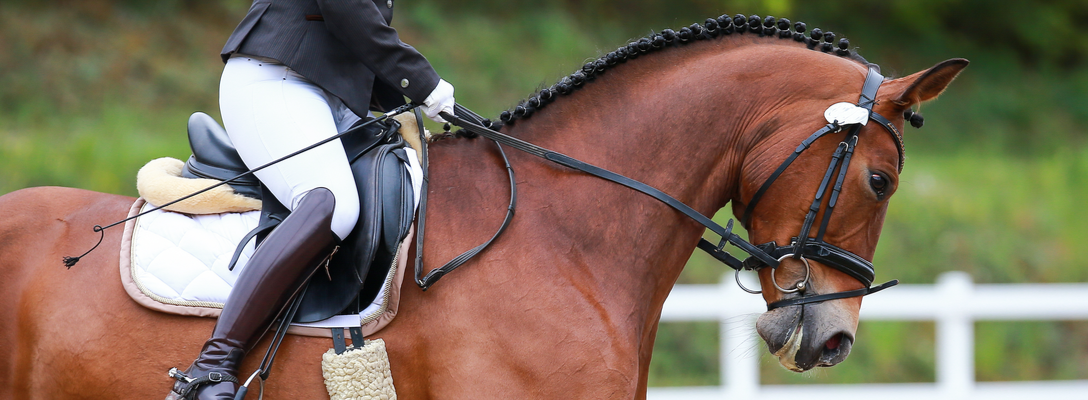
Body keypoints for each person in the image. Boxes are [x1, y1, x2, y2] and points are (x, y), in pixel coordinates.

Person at [167, 1, 454, 399]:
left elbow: (352, 47)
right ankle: (212, 366)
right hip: (276, 80)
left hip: (333, 96)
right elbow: (348, 11)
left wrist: (420, 97)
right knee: (331, 201)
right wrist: (421, 82)